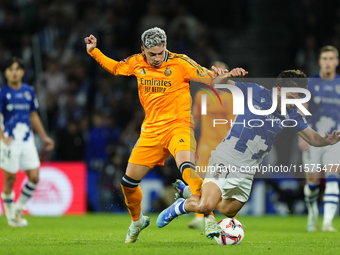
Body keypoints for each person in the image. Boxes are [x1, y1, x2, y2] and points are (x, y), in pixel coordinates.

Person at [156, 68, 340, 239]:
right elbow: (216, 85)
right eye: (294, 95)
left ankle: (189, 191)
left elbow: (313, 138)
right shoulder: (254, 92)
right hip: (226, 157)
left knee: (228, 210)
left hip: (248, 169)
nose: (297, 100)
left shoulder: (292, 114)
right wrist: (229, 74)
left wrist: (327, 140)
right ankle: (178, 208)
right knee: (206, 206)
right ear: (278, 89)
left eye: (300, 96)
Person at [84, 27, 225, 243]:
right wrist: (94, 51)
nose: (157, 58)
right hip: (151, 131)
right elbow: (114, 68)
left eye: (161, 53)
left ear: (166, 46)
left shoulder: (180, 62)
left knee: (186, 167)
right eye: (152, 54)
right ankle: (137, 221)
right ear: (143, 50)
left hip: (179, 126)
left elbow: (207, 76)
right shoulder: (136, 62)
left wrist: (217, 75)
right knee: (128, 183)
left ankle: (209, 218)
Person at [0, 57, 54, 227]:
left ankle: (18, 207)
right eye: (10, 69)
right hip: (9, 141)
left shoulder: (29, 91)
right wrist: (2, 137)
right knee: (10, 179)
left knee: (34, 176)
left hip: (27, 140)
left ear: (22, 72)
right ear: (5, 73)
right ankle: (10, 217)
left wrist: (44, 136)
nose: (14, 72)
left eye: (17, 69)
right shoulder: (2, 93)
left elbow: (33, 114)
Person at [298, 45, 340, 232]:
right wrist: (302, 136)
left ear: (337, 62)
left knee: (333, 177)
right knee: (312, 183)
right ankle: (313, 213)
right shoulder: (310, 83)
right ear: (320, 61)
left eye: (332, 58)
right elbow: (301, 111)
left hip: (335, 140)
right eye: (325, 58)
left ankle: (327, 222)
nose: (328, 62)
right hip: (313, 138)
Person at [187, 61, 233, 229]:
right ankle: (200, 217)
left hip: (225, 147)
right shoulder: (202, 96)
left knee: (227, 183)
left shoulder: (231, 96)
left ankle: (231, 218)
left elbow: (234, 124)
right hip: (205, 146)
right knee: (200, 180)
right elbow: (195, 119)